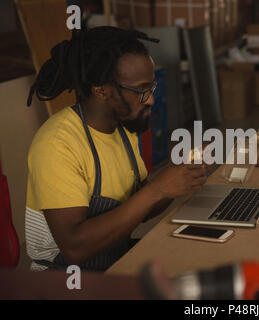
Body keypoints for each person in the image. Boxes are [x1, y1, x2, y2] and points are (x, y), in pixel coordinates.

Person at [25, 26, 208, 272]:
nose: (150, 99)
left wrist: (178, 179)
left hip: (114, 261)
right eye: (141, 90)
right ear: (101, 90)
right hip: (66, 279)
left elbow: (139, 210)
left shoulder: (123, 130)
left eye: (151, 88)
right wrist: (158, 189)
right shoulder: (57, 145)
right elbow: (75, 247)